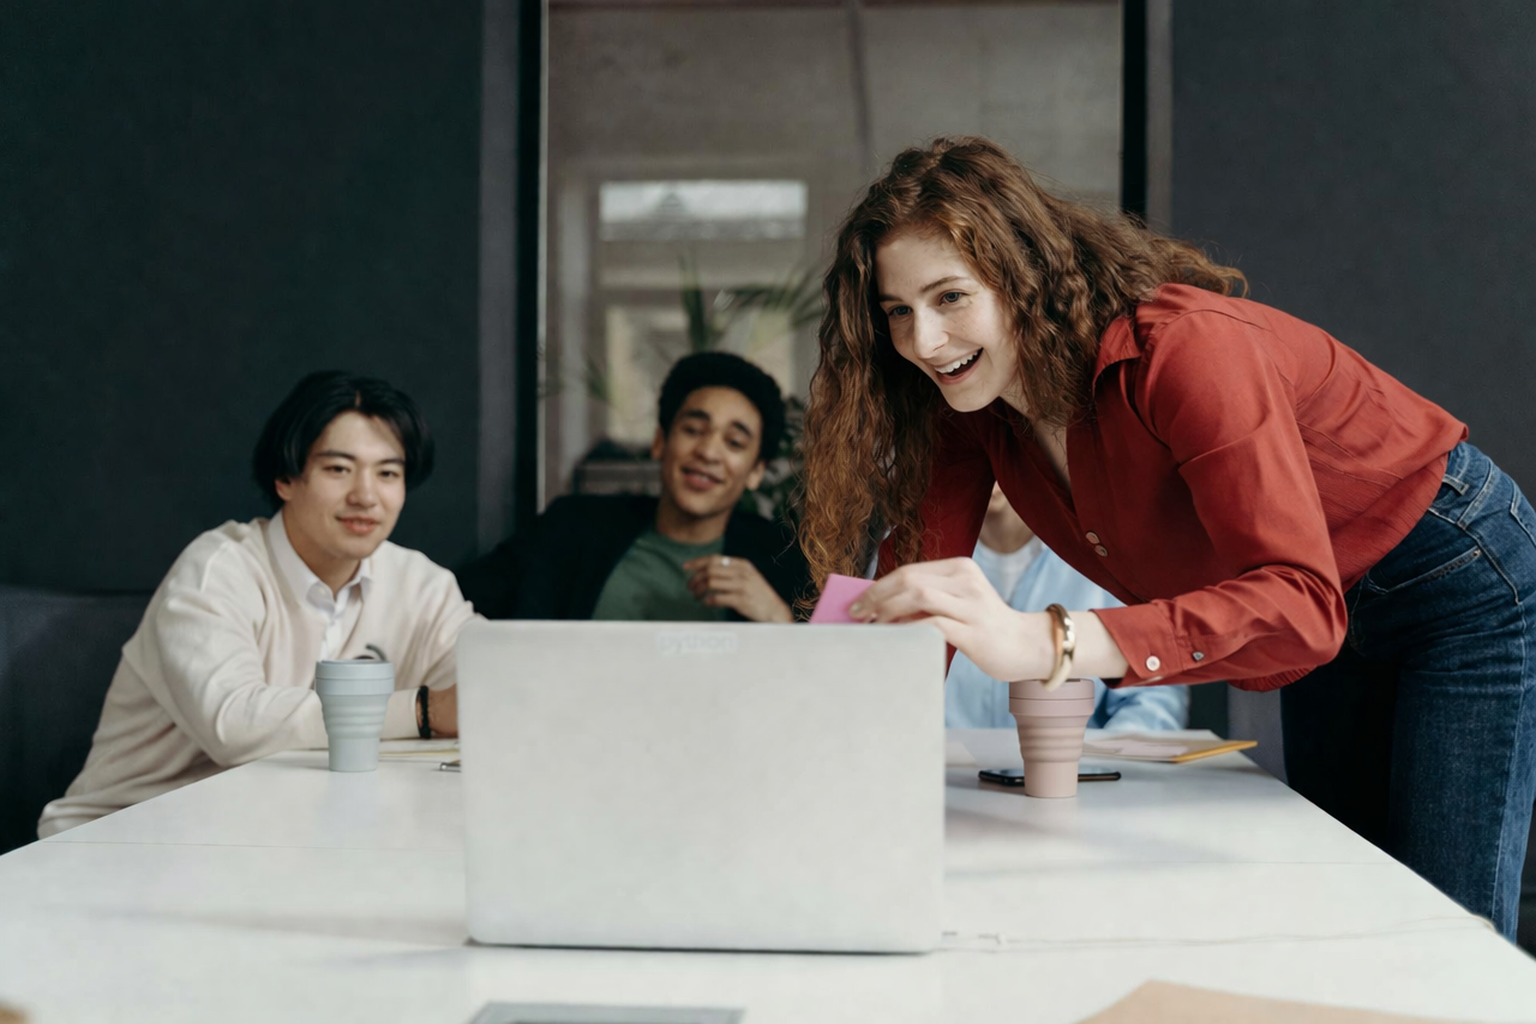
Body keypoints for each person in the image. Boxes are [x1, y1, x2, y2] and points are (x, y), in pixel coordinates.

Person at [798, 136, 1536, 939]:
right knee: (1354, 907)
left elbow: (1300, 605)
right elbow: (911, 595)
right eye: (898, 312)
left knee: (1446, 931)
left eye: (949, 297)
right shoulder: (967, 407)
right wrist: (813, 755)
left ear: (1022, 273)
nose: (923, 342)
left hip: (1453, 578)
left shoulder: (1187, 351)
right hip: (1324, 604)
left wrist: (1049, 642)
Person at [39, 372, 475, 836]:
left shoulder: (422, 585)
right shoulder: (217, 571)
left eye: (387, 473)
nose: (365, 496)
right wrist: (425, 710)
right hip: (120, 838)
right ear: (286, 478)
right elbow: (234, 724)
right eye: (338, 469)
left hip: (272, 841)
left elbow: (489, 686)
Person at [459, 351, 808, 622]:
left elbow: (823, 679)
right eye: (693, 430)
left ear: (756, 471)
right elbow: (455, 607)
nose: (708, 452)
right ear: (660, 442)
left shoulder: (781, 561)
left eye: (734, 442)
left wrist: (779, 618)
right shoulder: (573, 528)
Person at [947, 483, 1189, 732]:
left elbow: (1153, 696)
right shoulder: (930, 561)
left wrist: (1105, 753)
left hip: (1084, 756)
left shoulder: (1105, 561)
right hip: (944, 757)